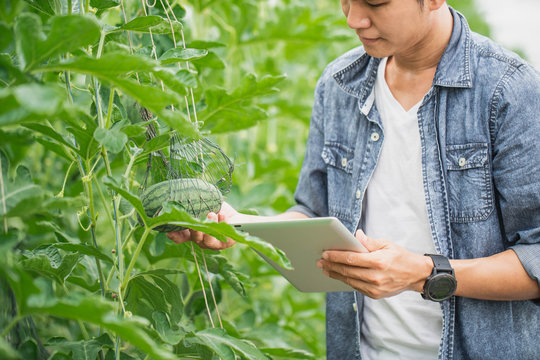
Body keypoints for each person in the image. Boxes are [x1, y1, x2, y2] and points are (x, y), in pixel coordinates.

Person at [168, 0, 540, 358]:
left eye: (375, 4)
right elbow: (314, 214)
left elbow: (535, 256)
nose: (354, 19)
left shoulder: (508, 91)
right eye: (346, 0)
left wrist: (424, 274)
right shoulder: (338, 84)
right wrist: (237, 225)